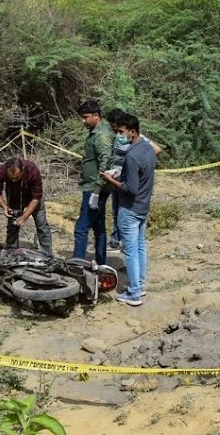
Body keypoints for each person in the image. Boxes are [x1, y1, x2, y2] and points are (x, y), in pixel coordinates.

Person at [100, 113, 156, 306]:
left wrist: (111, 180)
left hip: (130, 208)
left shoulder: (132, 155)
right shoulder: (148, 148)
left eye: (121, 132)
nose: (118, 135)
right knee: (140, 246)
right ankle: (139, 285)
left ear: (132, 132)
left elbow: (130, 188)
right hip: (143, 205)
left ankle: (133, 293)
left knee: (131, 251)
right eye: (116, 131)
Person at [105, 108, 162, 251]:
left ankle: (125, 244)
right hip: (117, 179)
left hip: (127, 182)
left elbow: (155, 149)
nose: (114, 131)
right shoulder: (119, 138)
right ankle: (116, 241)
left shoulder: (135, 138)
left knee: (126, 214)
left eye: (116, 127)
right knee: (116, 212)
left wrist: (139, 165)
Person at [72, 100, 114, 265]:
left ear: (96, 116)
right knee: (98, 227)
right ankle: (101, 263)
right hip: (94, 186)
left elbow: (105, 163)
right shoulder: (96, 132)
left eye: (86, 117)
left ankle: (76, 266)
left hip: (95, 188)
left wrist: (96, 191)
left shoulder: (101, 136)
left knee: (81, 228)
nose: (83, 121)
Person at [0, 157, 53, 256]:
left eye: (16, 178)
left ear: (23, 170)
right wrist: (4, 207)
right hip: (14, 197)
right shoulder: (1, 171)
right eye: (11, 178)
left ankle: (47, 254)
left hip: (33, 198)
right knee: (12, 224)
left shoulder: (32, 170)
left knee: (41, 223)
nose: (14, 180)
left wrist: (24, 217)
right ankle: (11, 251)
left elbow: (36, 198)